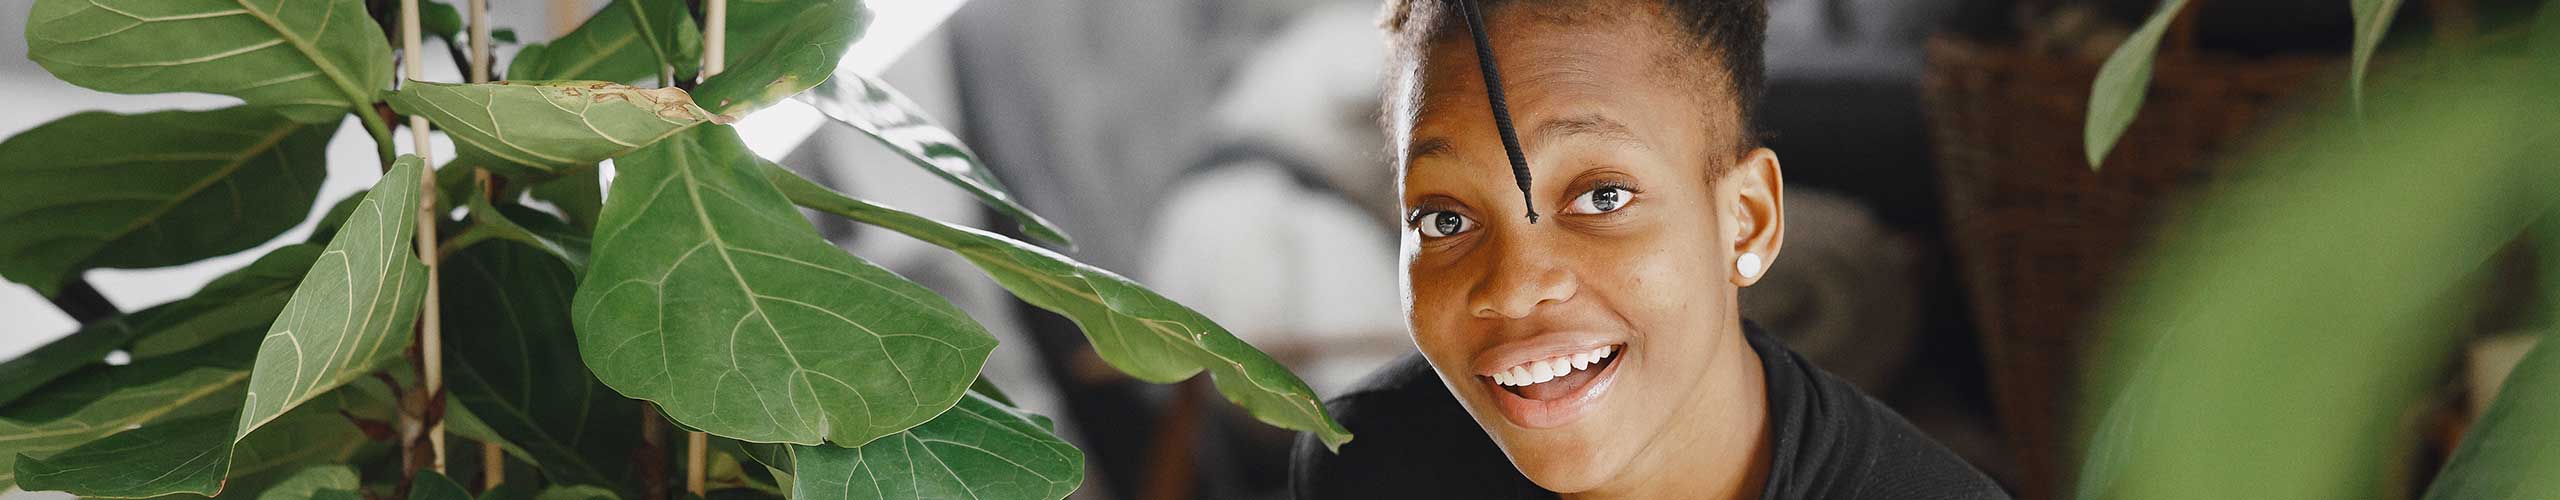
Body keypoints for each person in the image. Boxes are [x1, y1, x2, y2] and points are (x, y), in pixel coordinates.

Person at [1289, 1, 2007, 498]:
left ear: (1747, 221)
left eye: (1602, 196)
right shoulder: (1370, 463)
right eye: (1445, 219)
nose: (1511, 287)